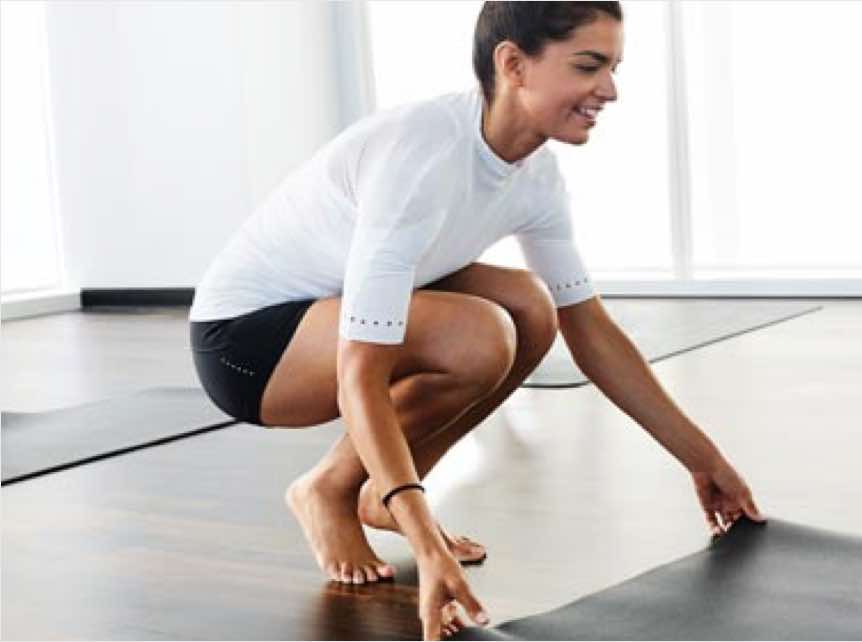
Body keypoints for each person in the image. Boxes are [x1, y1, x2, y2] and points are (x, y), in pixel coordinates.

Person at [188, 2, 765, 639]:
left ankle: (376, 494)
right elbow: (361, 373)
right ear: (513, 63)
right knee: (480, 335)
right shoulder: (420, 157)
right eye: (589, 66)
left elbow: (590, 332)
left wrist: (705, 460)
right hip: (246, 345)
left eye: (614, 67)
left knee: (531, 309)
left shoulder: (535, 175)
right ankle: (332, 492)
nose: (610, 90)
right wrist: (428, 549)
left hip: (326, 315)